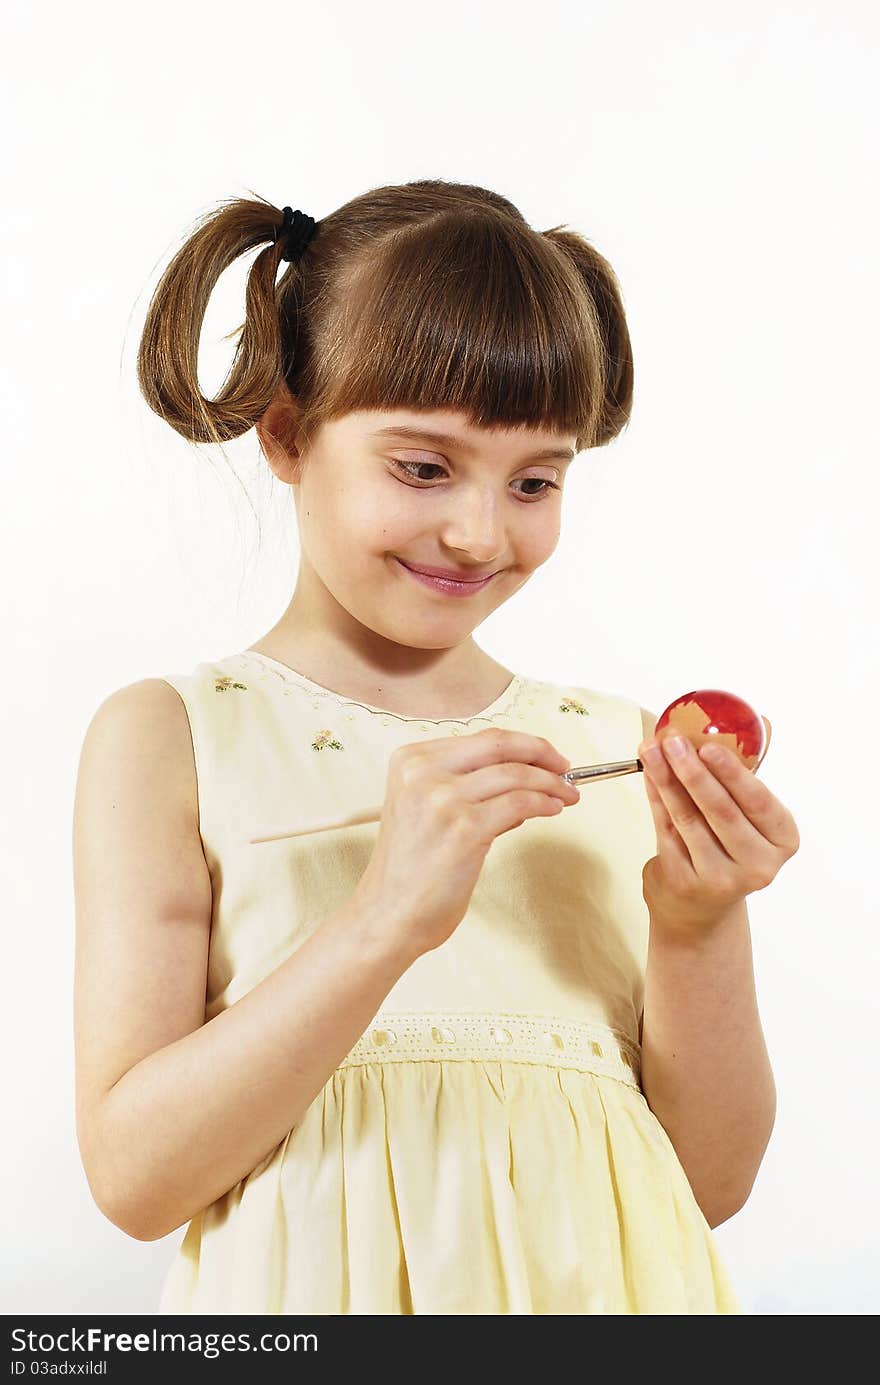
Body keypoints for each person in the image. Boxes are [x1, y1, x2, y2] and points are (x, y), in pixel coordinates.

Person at [72, 179, 800, 1315]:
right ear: (286, 433)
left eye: (536, 481)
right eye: (422, 467)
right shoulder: (173, 735)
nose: (478, 531)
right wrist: (381, 920)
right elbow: (134, 1177)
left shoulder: (609, 748)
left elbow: (702, 1185)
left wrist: (699, 918)